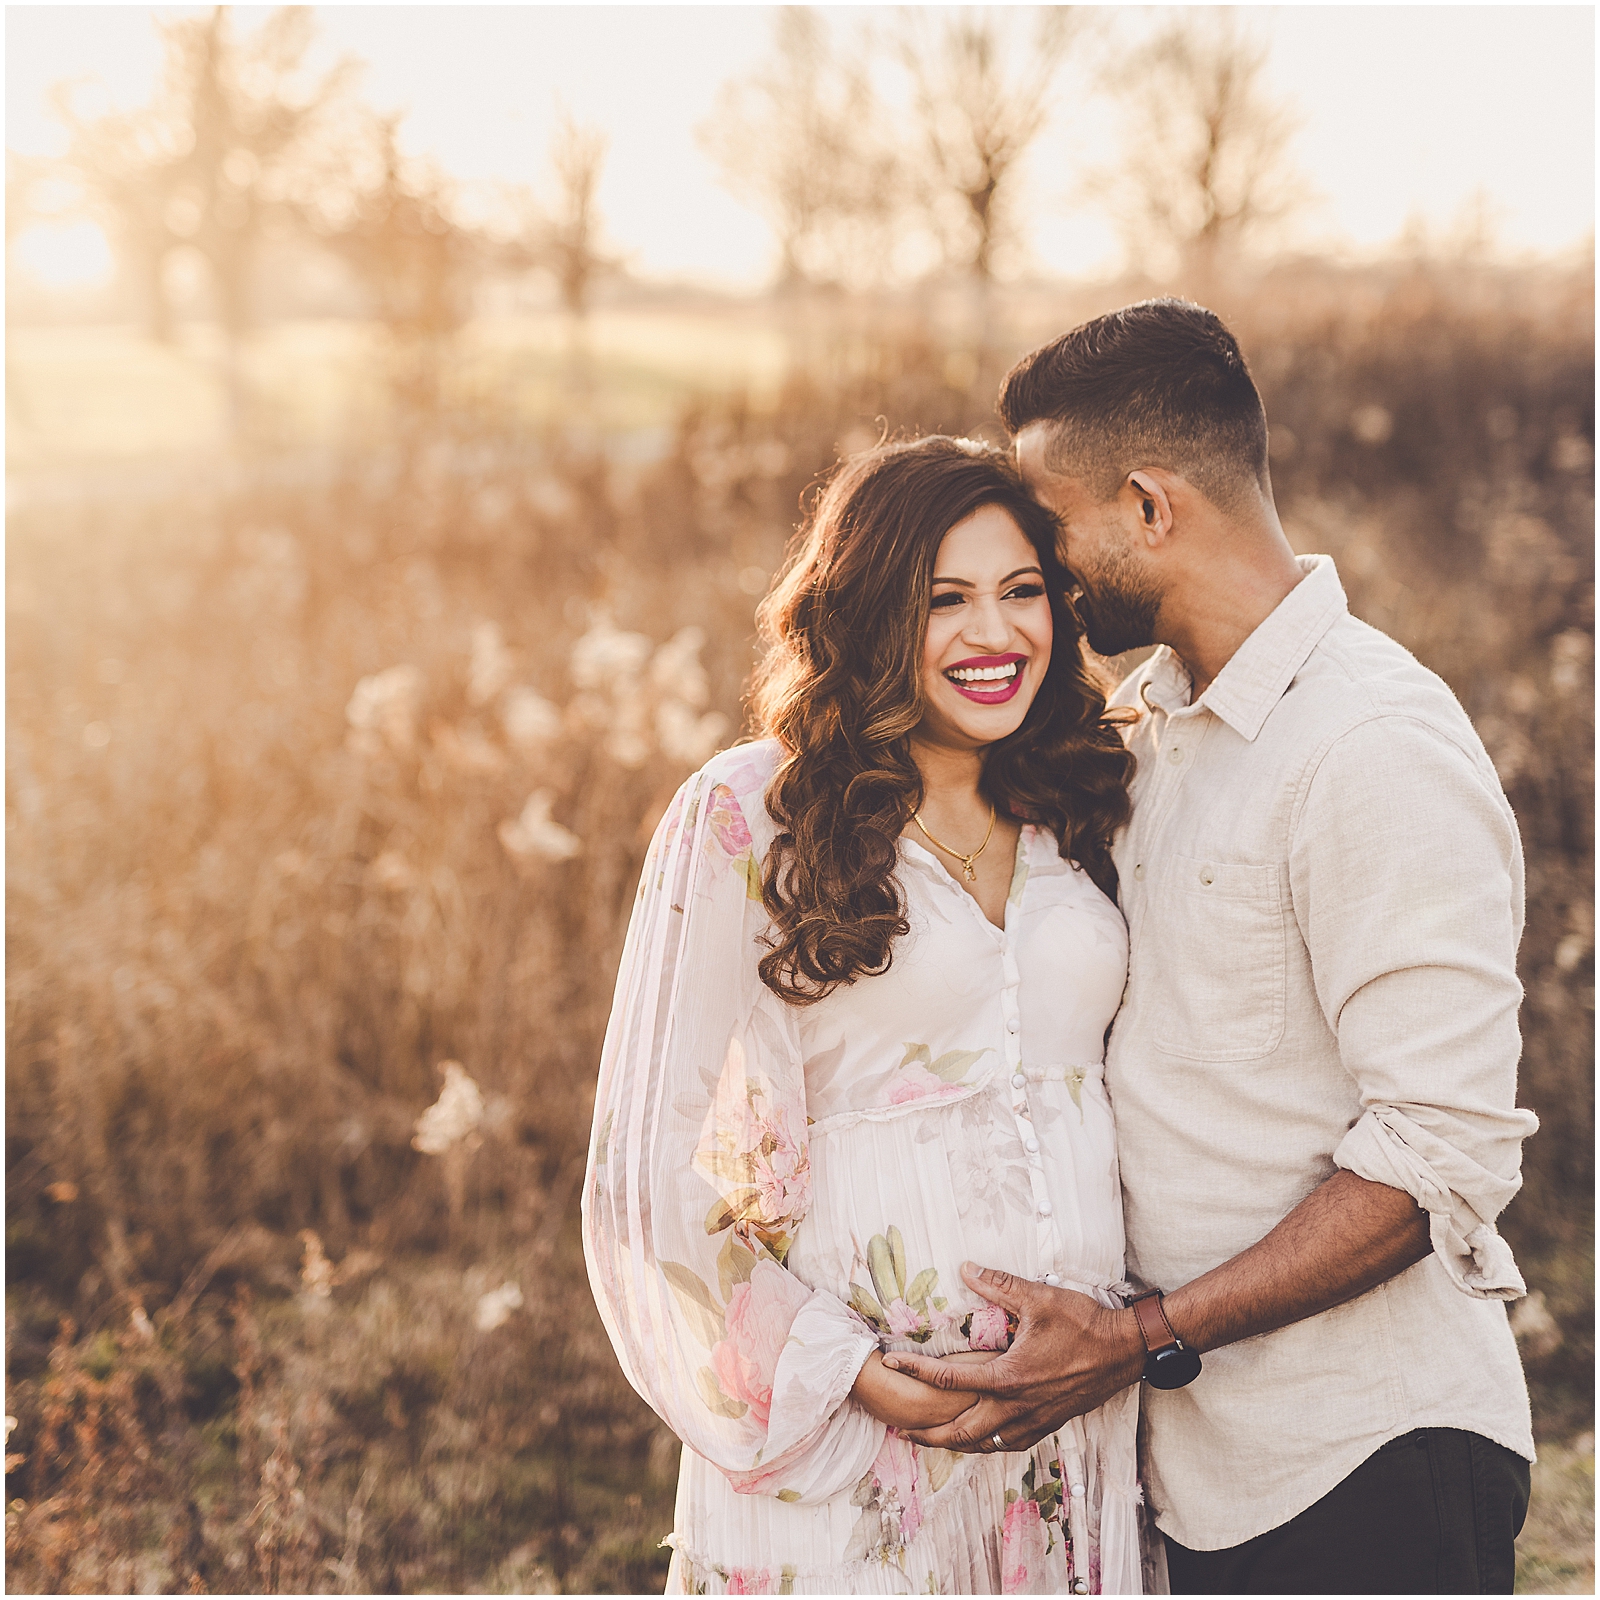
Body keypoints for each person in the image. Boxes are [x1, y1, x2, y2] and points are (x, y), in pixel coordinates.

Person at [883, 300, 1538, 1595]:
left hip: (1367, 1458)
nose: (1041, 571)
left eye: (1048, 528)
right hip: (1195, 1468)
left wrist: (1141, 1337)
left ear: (1146, 504)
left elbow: (1438, 1159)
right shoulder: (1152, 729)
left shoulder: (1370, 746)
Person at [583, 436, 1162, 1594]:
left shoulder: (1087, 797)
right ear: (864, 612)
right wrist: (849, 1372)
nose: (993, 635)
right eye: (942, 600)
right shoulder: (750, 813)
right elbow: (646, 1172)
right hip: (854, 1444)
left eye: (1021, 592)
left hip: (1070, 1434)